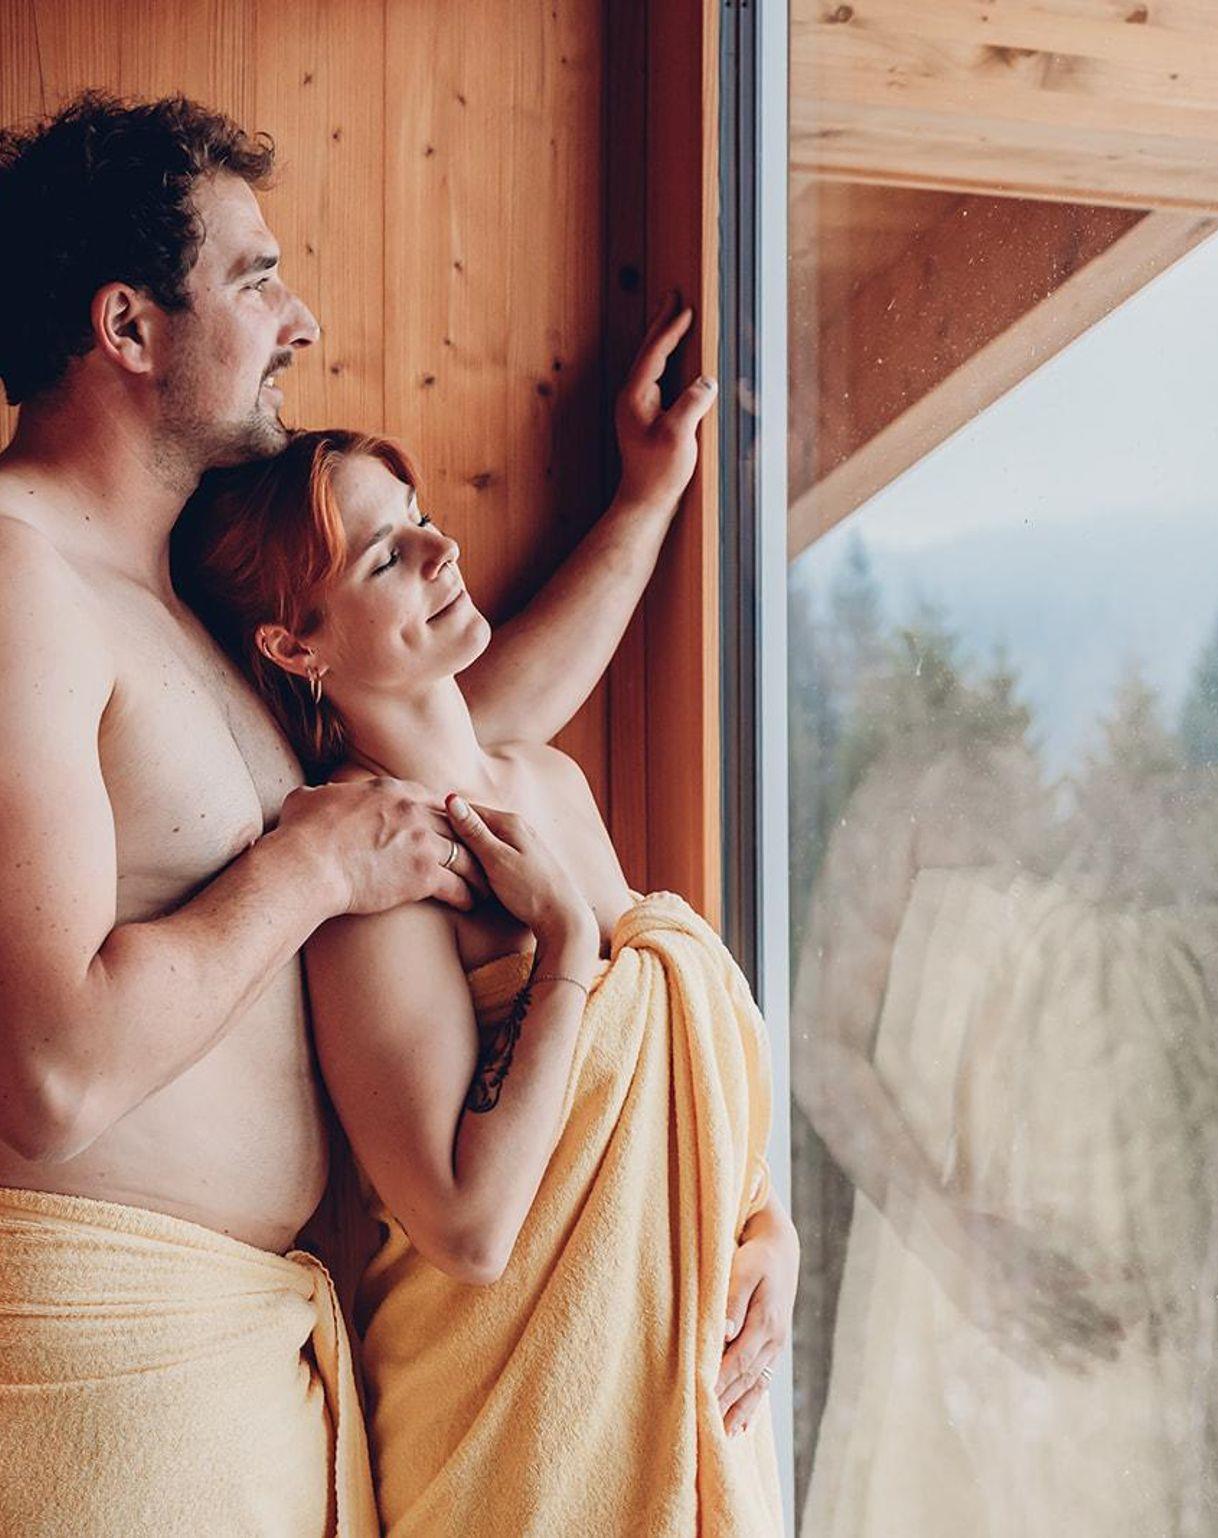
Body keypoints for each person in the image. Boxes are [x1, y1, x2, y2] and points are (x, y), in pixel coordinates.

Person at [0, 92, 715, 1534]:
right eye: (256, 279)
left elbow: (454, 722)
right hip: (107, 1369)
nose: (300, 319)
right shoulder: (18, 581)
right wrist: (312, 869)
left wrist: (644, 509)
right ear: (128, 326)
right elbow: (51, 1075)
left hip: (251, 1364)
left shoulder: (166, 601)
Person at [176, 425, 794, 1536]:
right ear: (294, 645)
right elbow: (467, 1227)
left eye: (418, 517)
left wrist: (765, 1226)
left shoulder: (548, 783)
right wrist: (562, 947)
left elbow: (672, 1081)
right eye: (385, 556)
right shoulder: (370, 886)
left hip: (668, 1389)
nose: (439, 548)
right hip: (515, 1441)